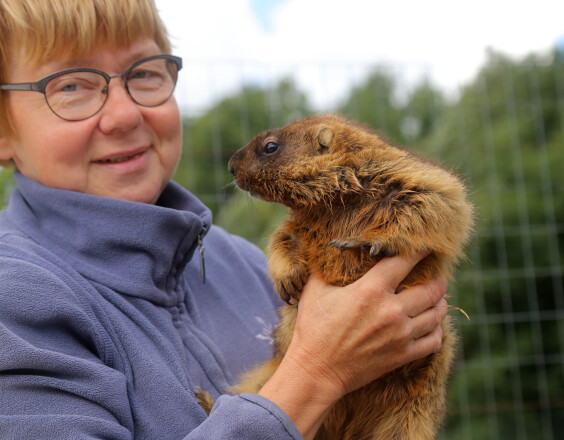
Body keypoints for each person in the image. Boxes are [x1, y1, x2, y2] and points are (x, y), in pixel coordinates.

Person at [0, 1, 450, 439]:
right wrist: (316, 374)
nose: (124, 114)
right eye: (71, 86)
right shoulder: (15, 302)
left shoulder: (241, 263)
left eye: (144, 73)